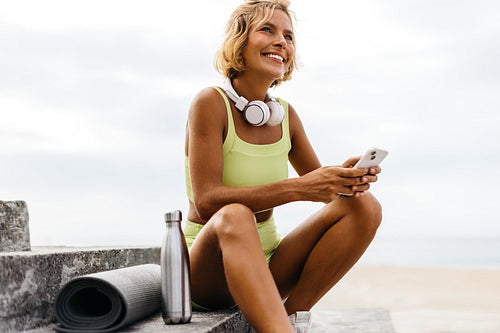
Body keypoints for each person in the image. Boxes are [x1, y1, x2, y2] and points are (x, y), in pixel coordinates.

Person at [183, 0, 382, 332]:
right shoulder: (210, 103)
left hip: (269, 265)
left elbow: (323, 194)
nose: (282, 42)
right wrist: (299, 189)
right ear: (239, 40)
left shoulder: (286, 116)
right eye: (267, 30)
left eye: (288, 36)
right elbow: (206, 202)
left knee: (364, 207)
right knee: (235, 213)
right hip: (208, 274)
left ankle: (294, 316)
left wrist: (342, 180)